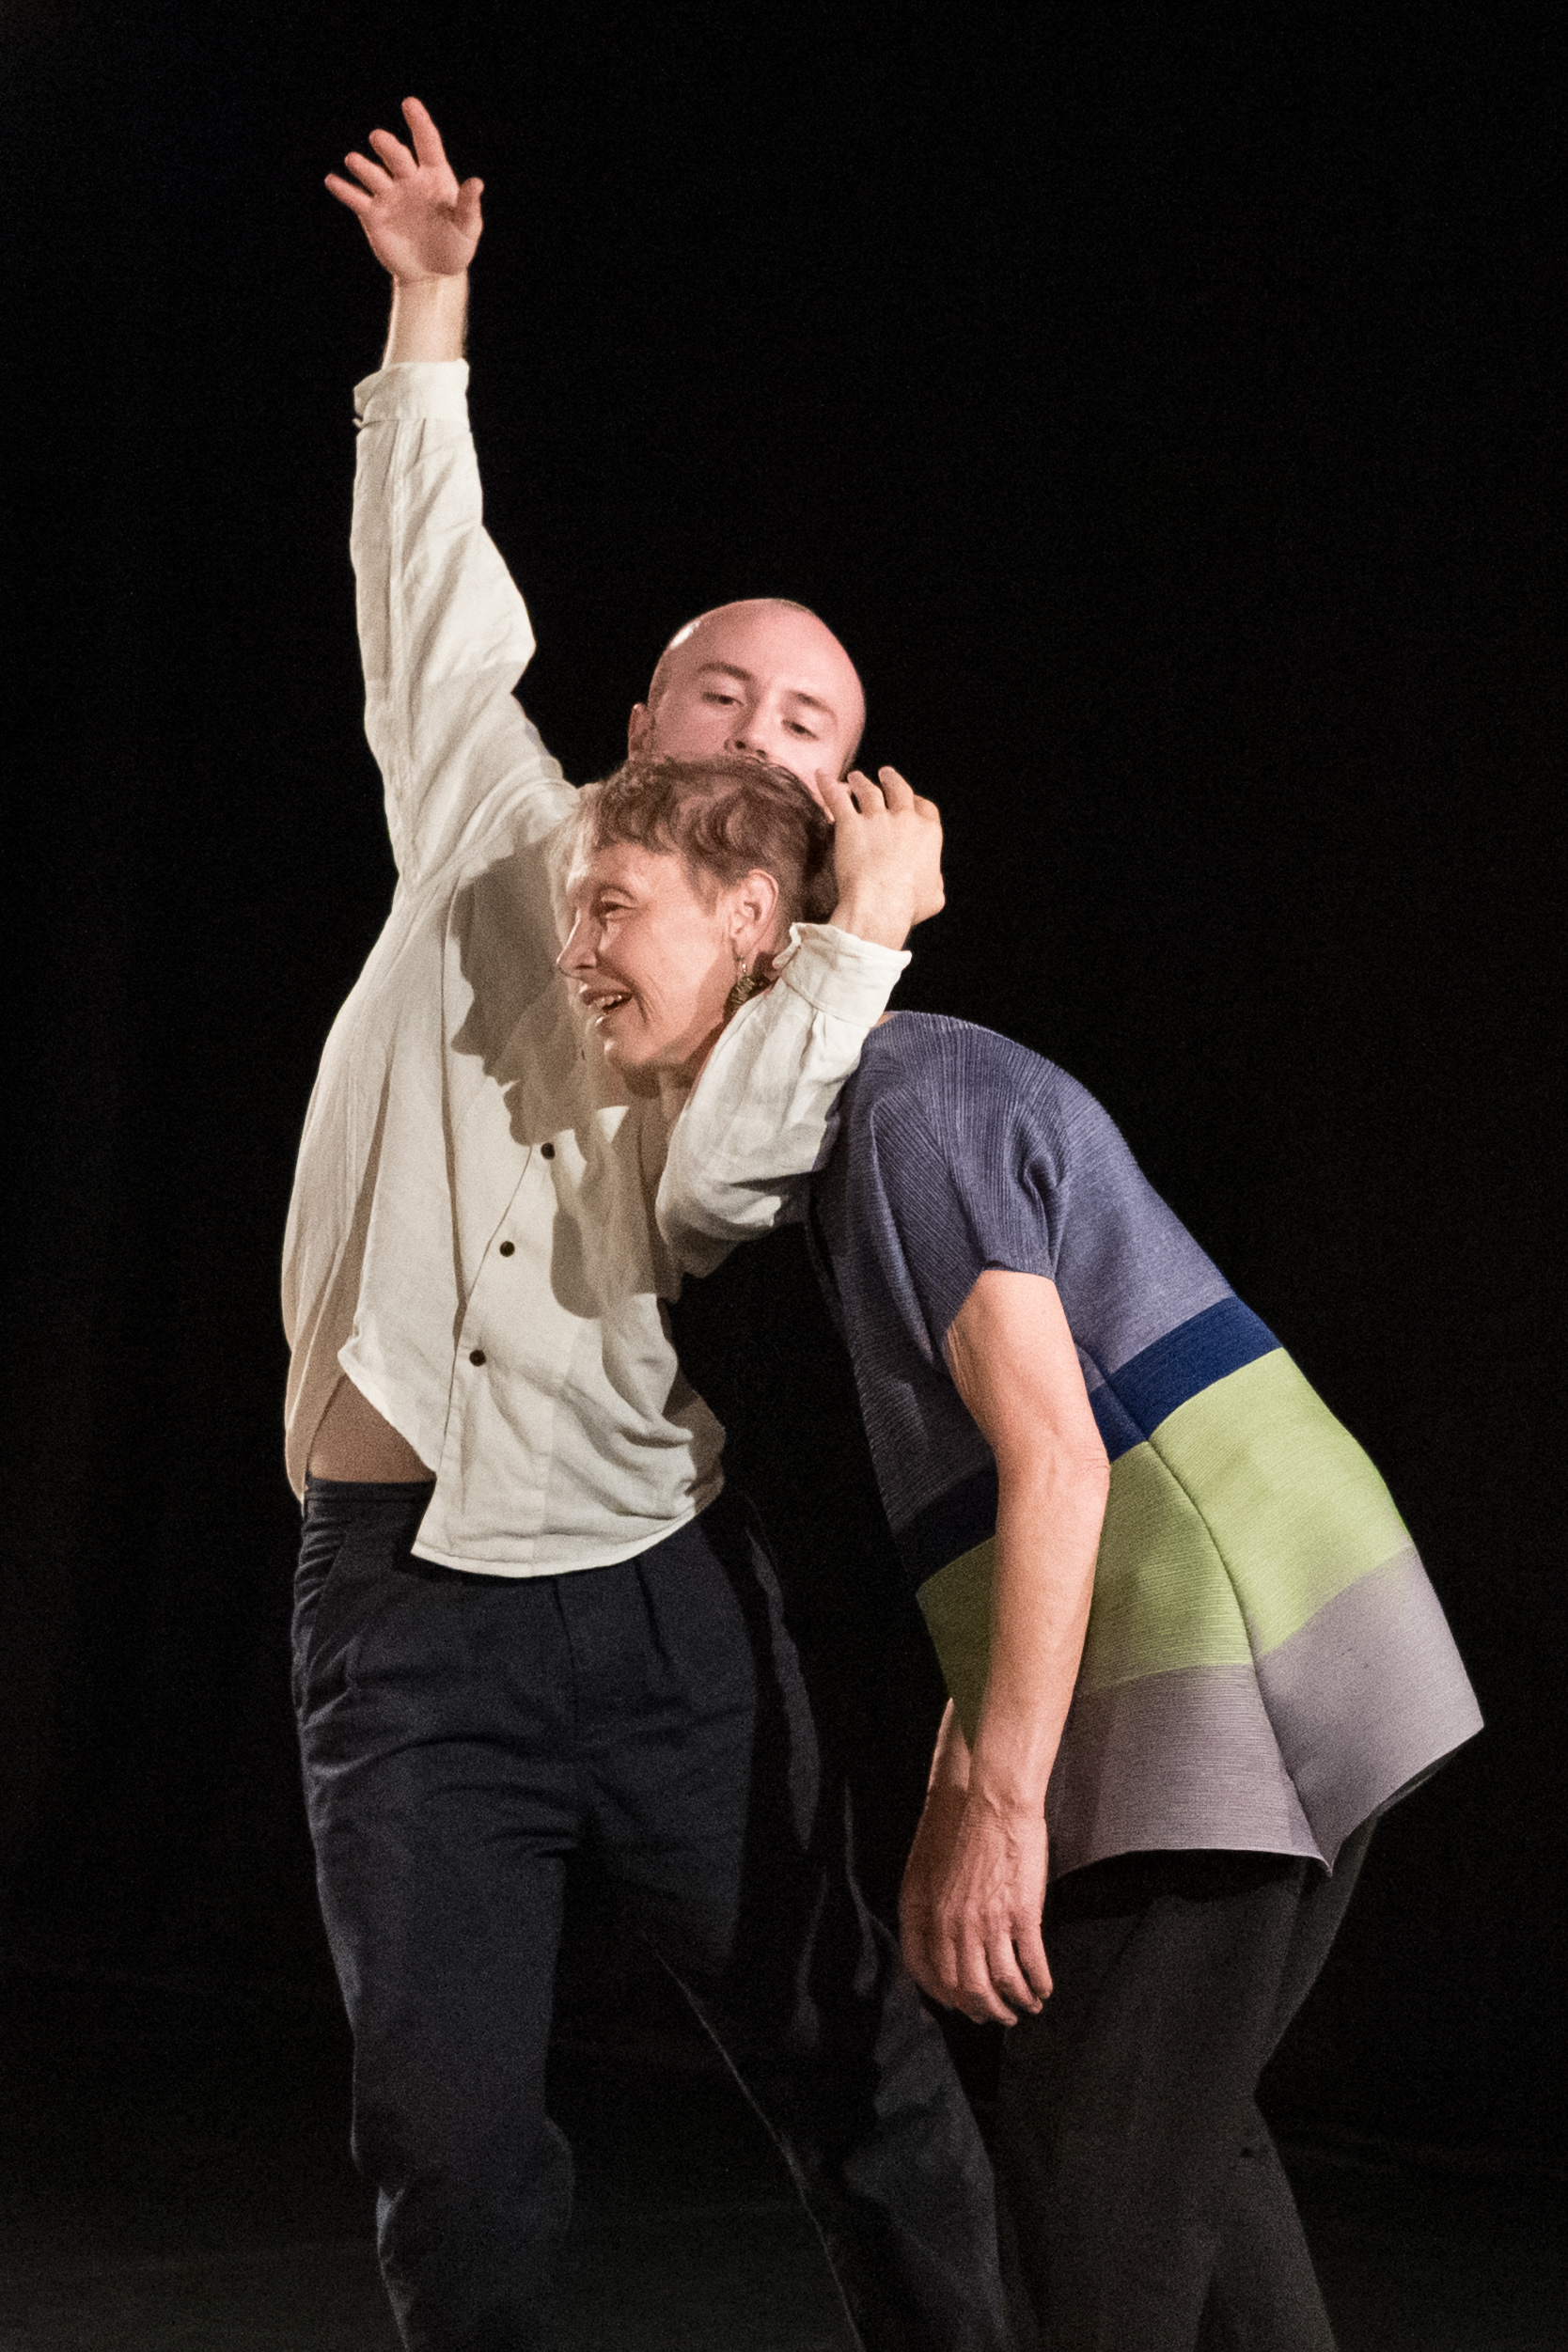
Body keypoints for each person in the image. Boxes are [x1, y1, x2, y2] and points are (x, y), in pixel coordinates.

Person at [290, 97, 1008, 2352]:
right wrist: (430, 307)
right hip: (406, 1599)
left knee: (851, 2064)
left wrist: (857, 945)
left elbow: (707, 1195)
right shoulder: (496, 832)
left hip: (651, 1589)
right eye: (727, 687)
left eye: (811, 722)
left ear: (826, 801)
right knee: (444, 2135)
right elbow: (426, 590)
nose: (763, 728)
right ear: (640, 718)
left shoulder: (801, 1012)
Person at [565, 758, 1485, 2352]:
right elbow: (1014, 1500)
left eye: (610, 905)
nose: (576, 947)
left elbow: (1059, 1458)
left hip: (1226, 1657)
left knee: (1094, 2197)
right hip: (1267, 1634)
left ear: (750, 916)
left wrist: (1008, 1807)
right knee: (1179, 2144)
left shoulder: (905, 1104)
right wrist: (956, 1779)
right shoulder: (883, 1119)